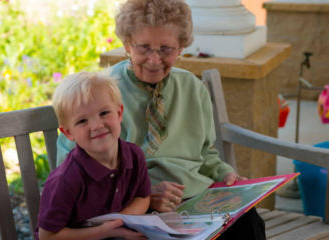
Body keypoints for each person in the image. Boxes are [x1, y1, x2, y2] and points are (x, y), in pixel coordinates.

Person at [56, 0, 266, 239]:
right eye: (143, 47)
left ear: (181, 48)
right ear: (127, 44)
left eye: (166, 49)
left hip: (196, 200)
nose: (154, 60)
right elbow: (71, 168)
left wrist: (226, 175)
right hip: (134, 209)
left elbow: (206, 154)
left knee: (247, 222)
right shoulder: (100, 96)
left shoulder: (192, 88)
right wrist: (143, 197)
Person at [37, 71, 151, 240]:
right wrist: (106, 231)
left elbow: (142, 197)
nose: (97, 125)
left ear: (119, 113)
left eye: (104, 113)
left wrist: (120, 221)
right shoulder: (65, 179)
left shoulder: (134, 155)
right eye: (82, 121)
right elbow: (47, 236)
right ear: (68, 132)